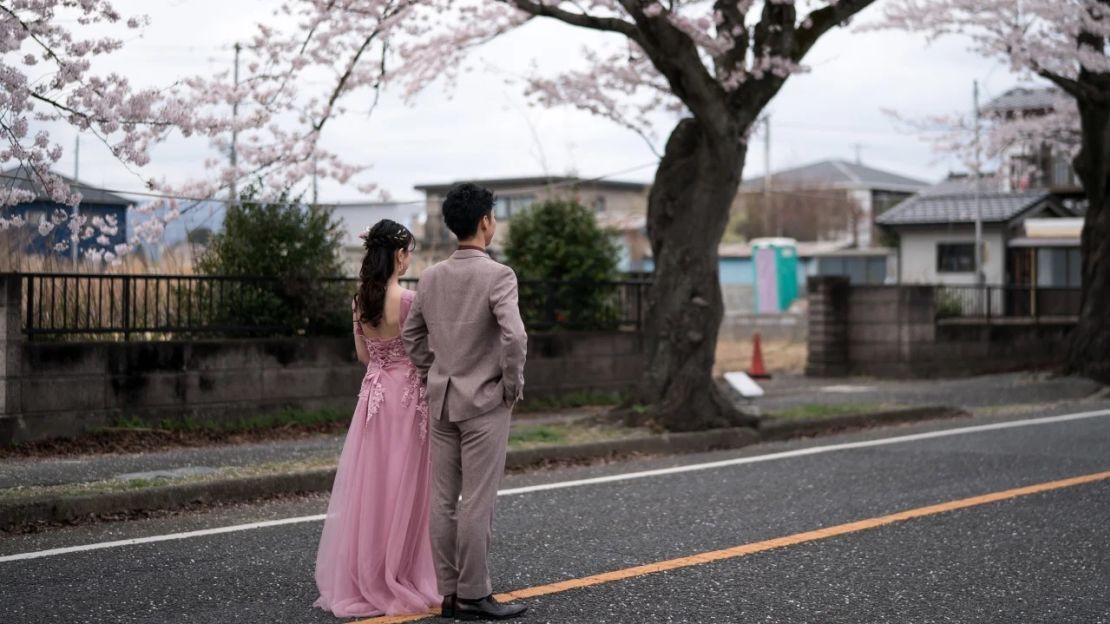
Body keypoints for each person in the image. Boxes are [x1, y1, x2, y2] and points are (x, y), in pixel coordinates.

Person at [403, 183, 529, 620]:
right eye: (493, 215)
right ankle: (476, 593)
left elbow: (411, 335)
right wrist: (510, 386)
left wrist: (430, 373)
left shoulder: (432, 275)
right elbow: (515, 335)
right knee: (477, 499)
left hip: (442, 399)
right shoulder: (499, 275)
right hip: (485, 401)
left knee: (442, 500)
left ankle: (451, 593)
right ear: (485, 222)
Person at [313, 219, 439, 618]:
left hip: (374, 397)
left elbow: (365, 357)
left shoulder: (359, 301)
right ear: (400, 254)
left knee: (374, 486)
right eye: (408, 253)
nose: (408, 260)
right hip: (408, 398)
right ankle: (400, 572)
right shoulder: (409, 300)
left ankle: (365, 573)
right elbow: (426, 352)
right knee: (407, 485)